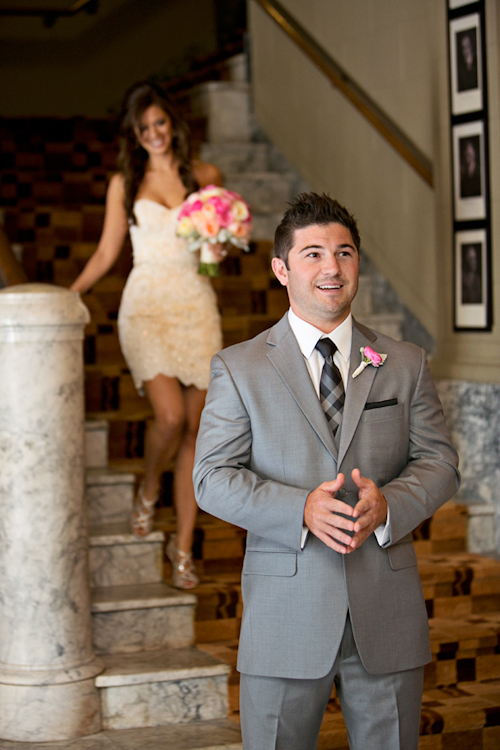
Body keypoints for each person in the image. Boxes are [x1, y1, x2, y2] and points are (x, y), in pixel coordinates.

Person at [193, 193, 460, 750]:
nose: (331, 268)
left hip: (385, 616)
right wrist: (300, 509)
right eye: (312, 254)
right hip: (283, 619)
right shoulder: (239, 368)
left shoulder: (404, 363)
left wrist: (390, 504)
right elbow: (211, 478)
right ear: (282, 269)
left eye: (344, 252)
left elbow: (439, 463)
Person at [71, 81, 224, 590]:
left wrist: (217, 250)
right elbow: (106, 252)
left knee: (196, 431)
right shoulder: (124, 182)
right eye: (144, 128)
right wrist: (71, 293)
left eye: (160, 124)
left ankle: (181, 548)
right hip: (147, 307)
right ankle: (148, 486)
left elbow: (212, 261)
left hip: (195, 303)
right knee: (171, 416)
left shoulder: (206, 177)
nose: (155, 134)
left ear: (172, 125)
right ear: (134, 136)